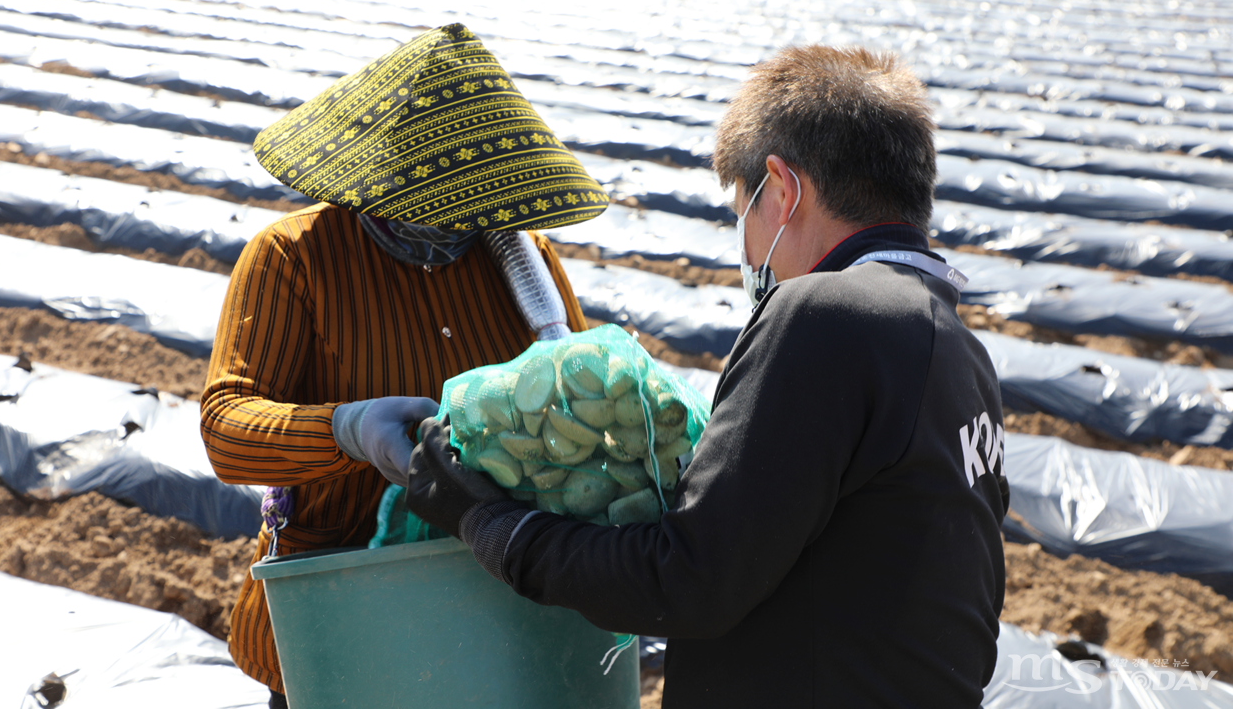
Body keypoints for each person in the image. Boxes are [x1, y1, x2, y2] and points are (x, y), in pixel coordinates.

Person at [407, 45, 1010, 707]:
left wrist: (490, 525)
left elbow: (687, 582)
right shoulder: (957, 349)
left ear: (782, 190)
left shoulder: (826, 313)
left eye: (742, 213)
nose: (750, 252)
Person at [199, 24, 610, 706]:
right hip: (340, 602)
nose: (454, 222)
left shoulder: (525, 264)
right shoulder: (293, 259)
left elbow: (583, 389)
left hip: (493, 600)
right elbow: (226, 426)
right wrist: (346, 430)